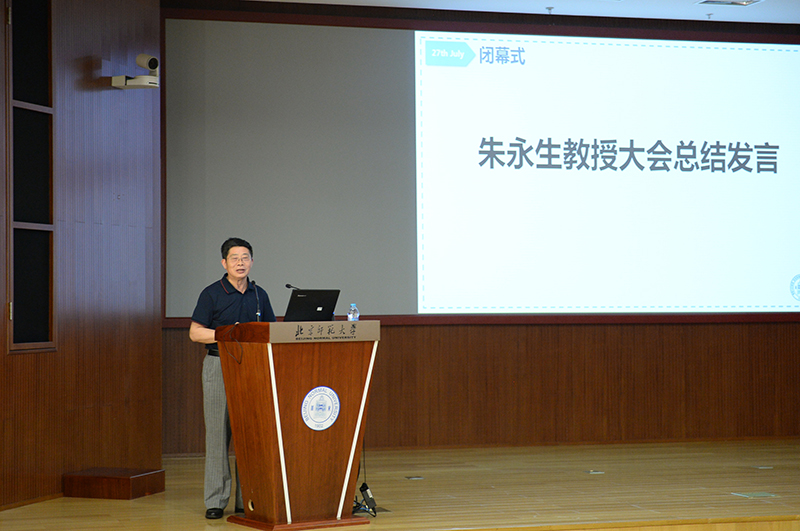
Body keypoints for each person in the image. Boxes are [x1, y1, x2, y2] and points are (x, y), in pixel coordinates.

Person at [189, 237, 276, 519]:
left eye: (245, 257)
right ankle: (216, 500)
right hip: (219, 365)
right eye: (234, 258)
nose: (240, 263)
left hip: (252, 368)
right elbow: (195, 332)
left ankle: (246, 499)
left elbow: (271, 331)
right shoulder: (212, 293)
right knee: (218, 434)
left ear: (252, 261)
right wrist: (229, 334)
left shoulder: (259, 294)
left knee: (249, 436)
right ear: (224, 263)